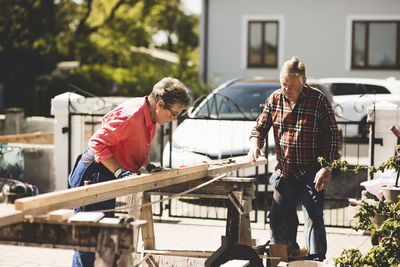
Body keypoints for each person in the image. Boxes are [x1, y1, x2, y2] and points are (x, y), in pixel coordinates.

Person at [68, 77, 191, 267]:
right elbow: (97, 143)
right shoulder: (132, 115)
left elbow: (133, 148)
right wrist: (120, 172)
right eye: (174, 113)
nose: (174, 119)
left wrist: (149, 166)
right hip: (93, 174)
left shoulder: (149, 116)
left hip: (105, 172)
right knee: (89, 242)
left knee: (103, 240)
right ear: (160, 104)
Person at [248, 56, 341, 262]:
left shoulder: (318, 100)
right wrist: (255, 145)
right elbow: (259, 128)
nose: (286, 89)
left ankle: (315, 261)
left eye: (291, 85)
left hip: (311, 170)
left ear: (303, 81)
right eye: (283, 84)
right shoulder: (275, 99)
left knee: (313, 217)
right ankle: (286, 257)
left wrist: (326, 167)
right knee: (278, 216)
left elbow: (333, 136)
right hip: (285, 171)